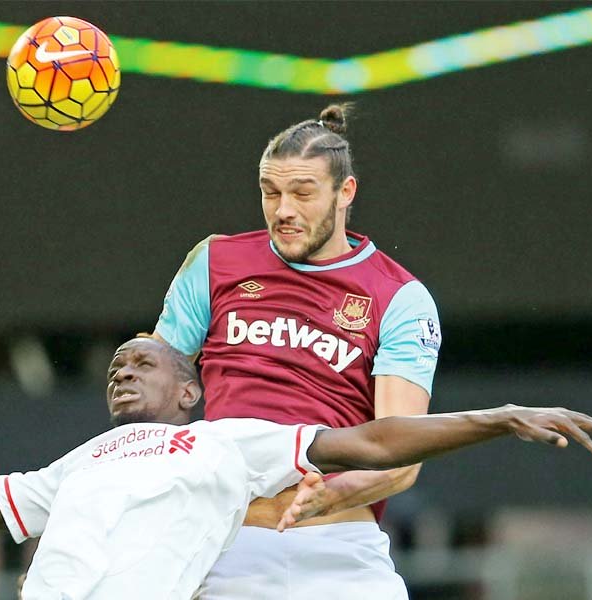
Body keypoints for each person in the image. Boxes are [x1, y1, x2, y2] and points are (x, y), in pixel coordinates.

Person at [0, 326, 592, 599]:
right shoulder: (78, 462)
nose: (123, 368)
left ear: (190, 392)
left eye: (143, 361)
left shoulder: (229, 441)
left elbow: (375, 440)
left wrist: (497, 418)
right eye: (117, 363)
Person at [153, 104, 442, 598]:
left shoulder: (400, 296)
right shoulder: (215, 262)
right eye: (271, 192)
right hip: (226, 548)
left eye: (303, 193)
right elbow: (150, 415)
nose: (283, 209)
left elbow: (402, 457)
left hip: (343, 553)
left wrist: (330, 493)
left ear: (345, 192)